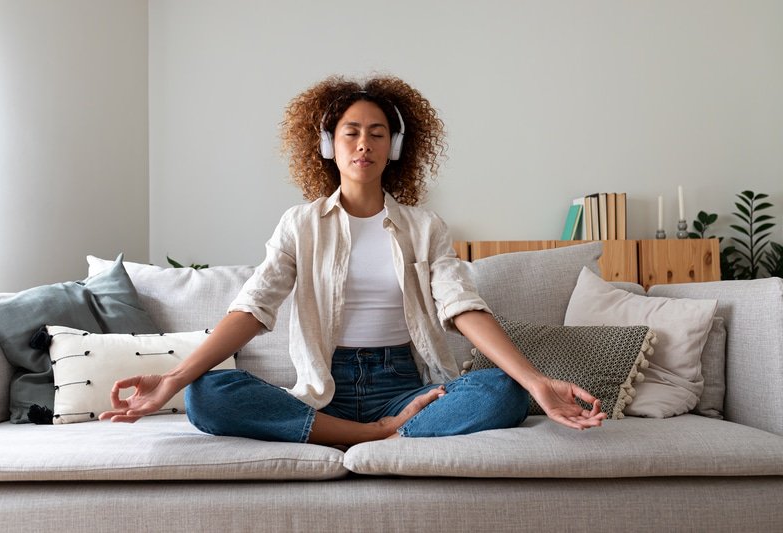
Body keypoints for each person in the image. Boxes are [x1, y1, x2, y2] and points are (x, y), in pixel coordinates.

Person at [100, 75, 606, 444]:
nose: (364, 143)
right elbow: (251, 309)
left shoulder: (425, 227)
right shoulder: (299, 224)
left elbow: (463, 306)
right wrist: (172, 379)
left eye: (378, 133)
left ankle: (367, 429)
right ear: (327, 144)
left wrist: (536, 382)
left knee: (505, 391)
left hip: (404, 387)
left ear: (395, 148)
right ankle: (375, 434)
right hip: (324, 390)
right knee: (207, 395)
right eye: (351, 131)